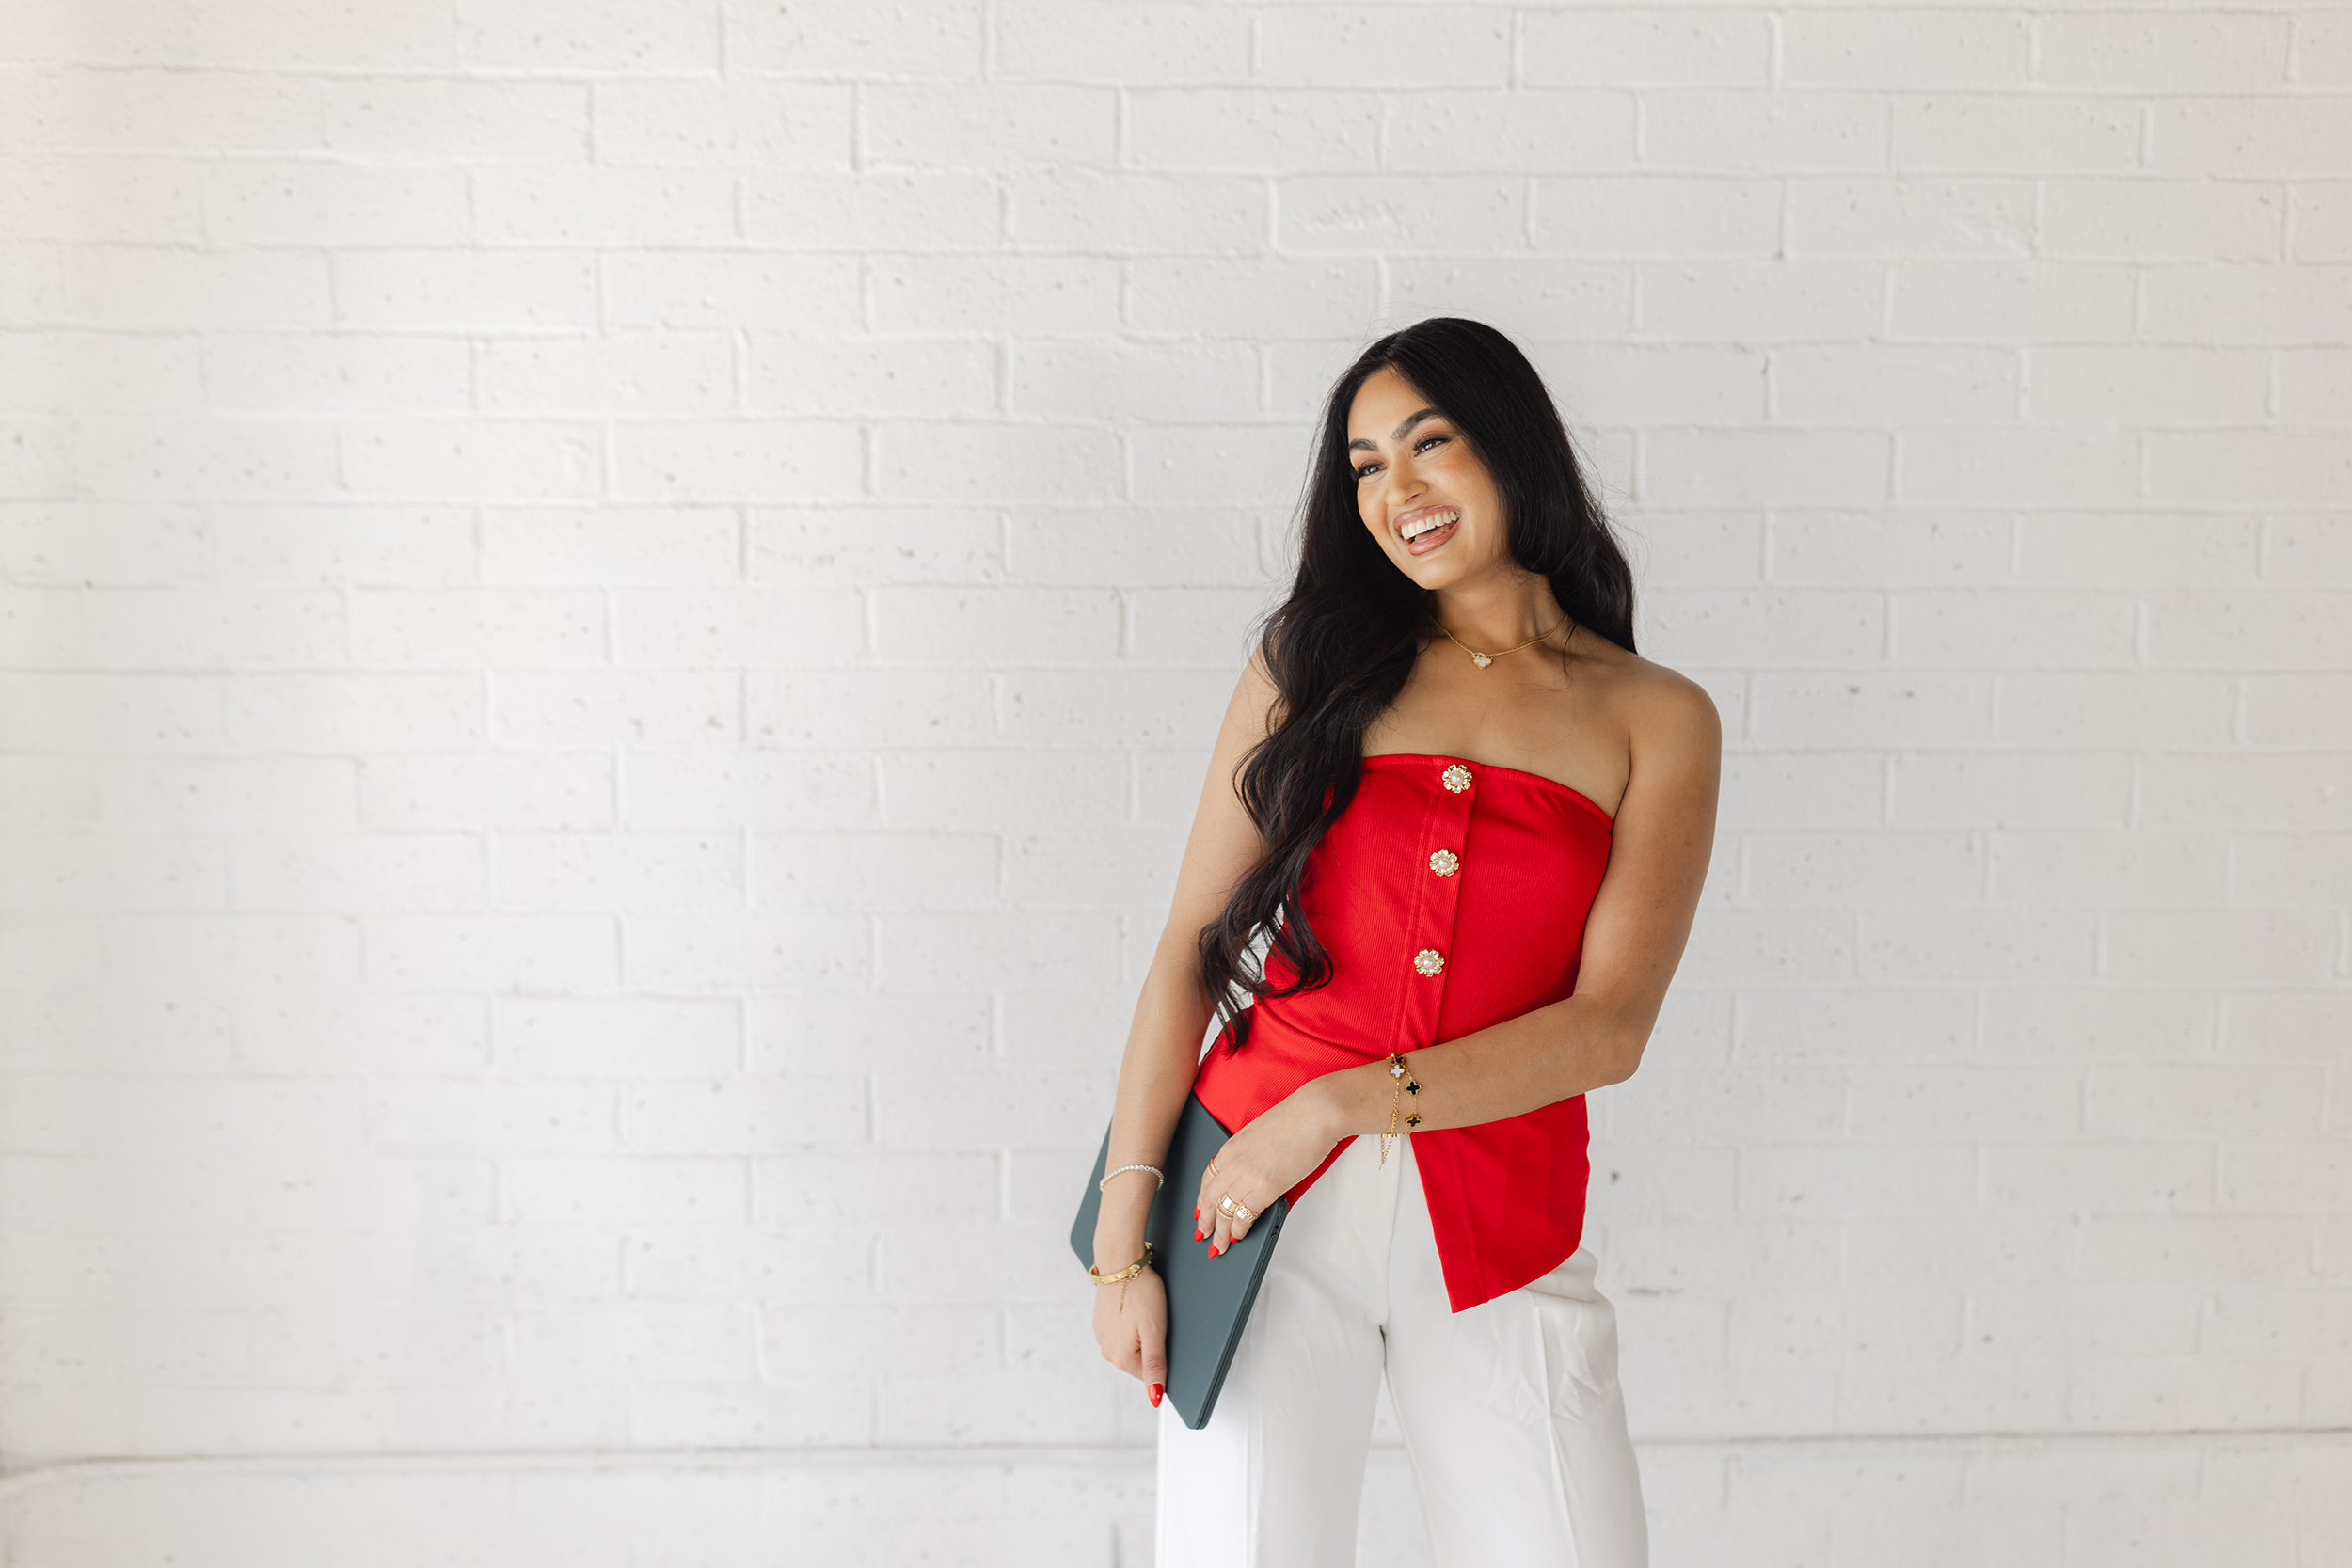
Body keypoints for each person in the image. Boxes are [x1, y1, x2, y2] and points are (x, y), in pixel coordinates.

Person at [1085, 317, 1720, 1567]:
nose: (1398, 489)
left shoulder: (1658, 718)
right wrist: (1121, 1254)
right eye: (1368, 464)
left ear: (1514, 449)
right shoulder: (1310, 663)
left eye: (1431, 444)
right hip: (1246, 1215)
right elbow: (1188, 950)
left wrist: (1337, 1107)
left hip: (1500, 1225)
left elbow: (1611, 1027)